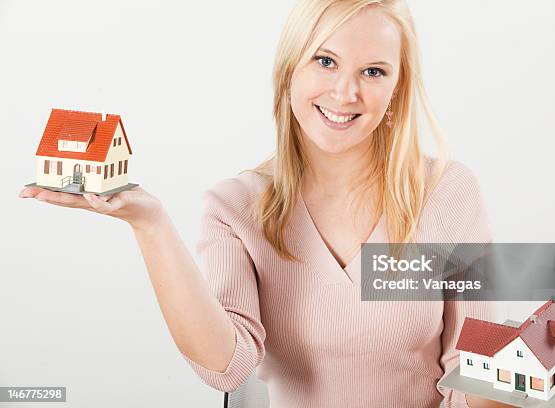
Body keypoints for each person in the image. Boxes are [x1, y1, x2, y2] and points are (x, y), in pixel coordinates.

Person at [20, 1, 512, 407]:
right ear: (288, 71)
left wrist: (523, 374)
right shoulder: (235, 207)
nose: (346, 92)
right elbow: (228, 366)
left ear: (396, 89)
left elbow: (468, 378)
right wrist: (150, 225)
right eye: (325, 61)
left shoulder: (447, 192)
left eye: (374, 71)